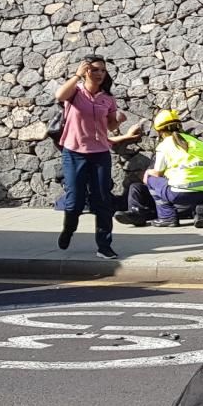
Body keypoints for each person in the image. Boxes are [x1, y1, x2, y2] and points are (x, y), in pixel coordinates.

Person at [54, 54, 127, 259]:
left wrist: (118, 120)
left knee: (103, 200)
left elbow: (111, 126)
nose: (100, 74)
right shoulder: (75, 93)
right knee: (75, 201)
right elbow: (59, 96)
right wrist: (77, 75)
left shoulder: (107, 98)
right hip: (74, 152)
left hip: (100, 153)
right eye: (95, 70)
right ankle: (68, 230)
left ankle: (104, 246)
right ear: (86, 71)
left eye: (103, 70)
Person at [114, 109, 203, 228]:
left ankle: (166, 217)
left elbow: (157, 174)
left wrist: (146, 173)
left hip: (180, 195)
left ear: (160, 131)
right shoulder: (198, 143)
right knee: (137, 188)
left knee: (149, 178)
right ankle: (201, 211)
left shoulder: (165, 145)